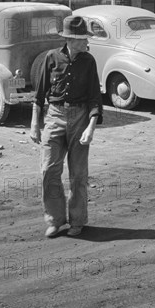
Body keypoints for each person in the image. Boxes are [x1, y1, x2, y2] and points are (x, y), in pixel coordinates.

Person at [30, 16, 103, 239]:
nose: (86, 43)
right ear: (70, 39)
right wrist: (35, 123)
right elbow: (40, 94)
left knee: (78, 173)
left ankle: (78, 220)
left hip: (81, 117)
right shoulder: (51, 58)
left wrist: (90, 128)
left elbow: (94, 98)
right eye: (82, 39)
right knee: (48, 169)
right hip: (54, 115)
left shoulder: (89, 61)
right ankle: (55, 219)